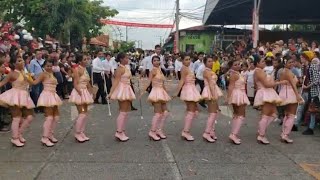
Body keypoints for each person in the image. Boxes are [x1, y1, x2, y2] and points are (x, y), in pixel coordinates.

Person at [0, 53, 35, 147]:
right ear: (14, 64)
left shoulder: (24, 72)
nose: (22, 62)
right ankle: (15, 138)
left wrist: (29, 77)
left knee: (29, 117)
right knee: (16, 117)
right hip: (15, 96)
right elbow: (2, 83)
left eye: (22, 60)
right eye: (19, 61)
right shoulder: (12, 73)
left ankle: (19, 133)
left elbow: (32, 82)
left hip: (25, 95)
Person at [26, 60, 63, 147]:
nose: (49, 68)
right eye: (47, 66)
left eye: (50, 66)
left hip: (53, 95)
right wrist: (27, 78)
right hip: (47, 96)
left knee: (56, 117)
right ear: (44, 66)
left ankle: (50, 134)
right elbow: (35, 83)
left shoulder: (52, 73)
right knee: (49, 117)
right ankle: (44, 137)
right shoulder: (43, 74)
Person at [253, 56, 287, 144]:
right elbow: (267, 84)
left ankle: (261, 130)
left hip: (267, 92)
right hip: (266, 93)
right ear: (257, 63)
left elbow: (258, 84)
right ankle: (261, 135)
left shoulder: (260, 71)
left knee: (273, 114)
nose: (264, 63)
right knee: (266, 114)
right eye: (262, 62)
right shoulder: (258, 71)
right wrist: (279, 82)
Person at [141, 55, 171, 141]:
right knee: (158, 114)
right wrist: (142, 91)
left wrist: (166, 92)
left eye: (158, 60)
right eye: (154, 61)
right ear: (152, 62)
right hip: (156, 92)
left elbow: (163, 83)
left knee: (165, 113)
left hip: (162, 92)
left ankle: (159, 130)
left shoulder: (160, 70)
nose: (156, 62)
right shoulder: (153, 70)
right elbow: (149, 82)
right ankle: (152, 131)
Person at [173, 54, 201, 141]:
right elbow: (182, 80)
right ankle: (185, 131)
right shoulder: (184, 69)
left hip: (192, 89)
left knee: (192, 111)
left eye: (189, 59)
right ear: (182, 61)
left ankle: (186, 131)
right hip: (188, 90)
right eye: (186, 59)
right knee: (191, 112)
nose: (188, 61)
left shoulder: (188, 68)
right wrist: (176, 92)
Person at [109, 52, 136, 142]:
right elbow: (116, 81)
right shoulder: (119, 69)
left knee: (126, 111)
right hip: (122, 89)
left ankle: (122, 130)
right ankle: (119, 131)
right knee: (123, 111)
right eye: (126, 58)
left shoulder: (126, 67)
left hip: (127, 88)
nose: (128, 59)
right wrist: (110, 93)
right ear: (121, 59)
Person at [69, 54, 94, 143]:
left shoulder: (85, 70)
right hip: (79, 93)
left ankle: (81, 132)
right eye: (84, 59)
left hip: (85, 92)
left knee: (85, 114)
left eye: (87, 59)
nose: (87, 60)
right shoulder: (77, 70)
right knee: (82, 113)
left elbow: (87, 82)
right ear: (79, 61)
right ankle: (77, 132)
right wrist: (80, 93)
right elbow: (75, 84)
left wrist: (91, 92)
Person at [278, 58, 304, 143]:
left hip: (284, 92)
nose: (291, 64)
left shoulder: (282, 71)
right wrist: (297, 96)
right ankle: (285, 135)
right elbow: (293, 85)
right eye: (289, 62)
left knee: (287, 114)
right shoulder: (288, 72)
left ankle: (283, 133)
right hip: (290, 93)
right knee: (292, 115)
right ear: (285, 63)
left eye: (292, 62)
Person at [227, 60, 250, 145]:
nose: (237, 66)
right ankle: (234, 134)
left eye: (238, 64)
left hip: (239, 93)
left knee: (237, 114)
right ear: (231, 66)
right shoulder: (234, 75)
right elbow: (230, 86)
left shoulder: (237, 73)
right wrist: (228, 98)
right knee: (241, 114)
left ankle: (233, 133)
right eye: (235, 65)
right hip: (238, 94)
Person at [201, 56, 223, 143]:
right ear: (205, 63)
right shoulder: (206, 71)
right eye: (209, 61)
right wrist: (213, 95)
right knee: (212, 113)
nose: (211, 62)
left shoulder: (210, 71)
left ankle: (211, 131)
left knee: (215, 112)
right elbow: (210, 83)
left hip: (213, 90)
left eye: (212, 61)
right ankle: (207, 132)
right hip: (210, 91)